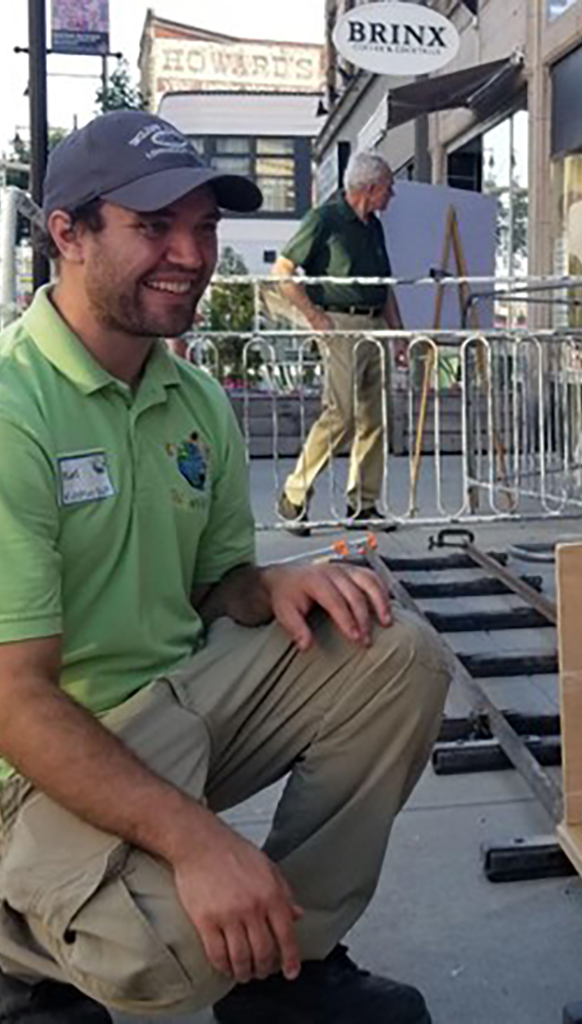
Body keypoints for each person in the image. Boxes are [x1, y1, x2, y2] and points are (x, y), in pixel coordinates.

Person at [0, 110, 450, 1024]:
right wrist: (197, 842)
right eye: (154, 225)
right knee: (170, 956)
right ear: (68, 234)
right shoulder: (14, 412)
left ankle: (293, 961)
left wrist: (274, 584)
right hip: (33, 765)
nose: (191, 252)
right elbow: (16, 698)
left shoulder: (192, 397)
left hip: (175, 708)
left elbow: (216, 588)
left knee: (397, 654)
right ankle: (21, 948)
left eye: (203, 227)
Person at [271, 151, 402, 535]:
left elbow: (385, 285)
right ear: (370, 188)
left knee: (373, 419)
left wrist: (398, 333)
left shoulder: (373, 227)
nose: (391, 196)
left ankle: (363, 503)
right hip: (339, 322)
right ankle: (294, 496)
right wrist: (314, 317)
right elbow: (282, 270)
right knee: (340, 414)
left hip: (373, 322)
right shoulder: (325, 219)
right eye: (388, 189)